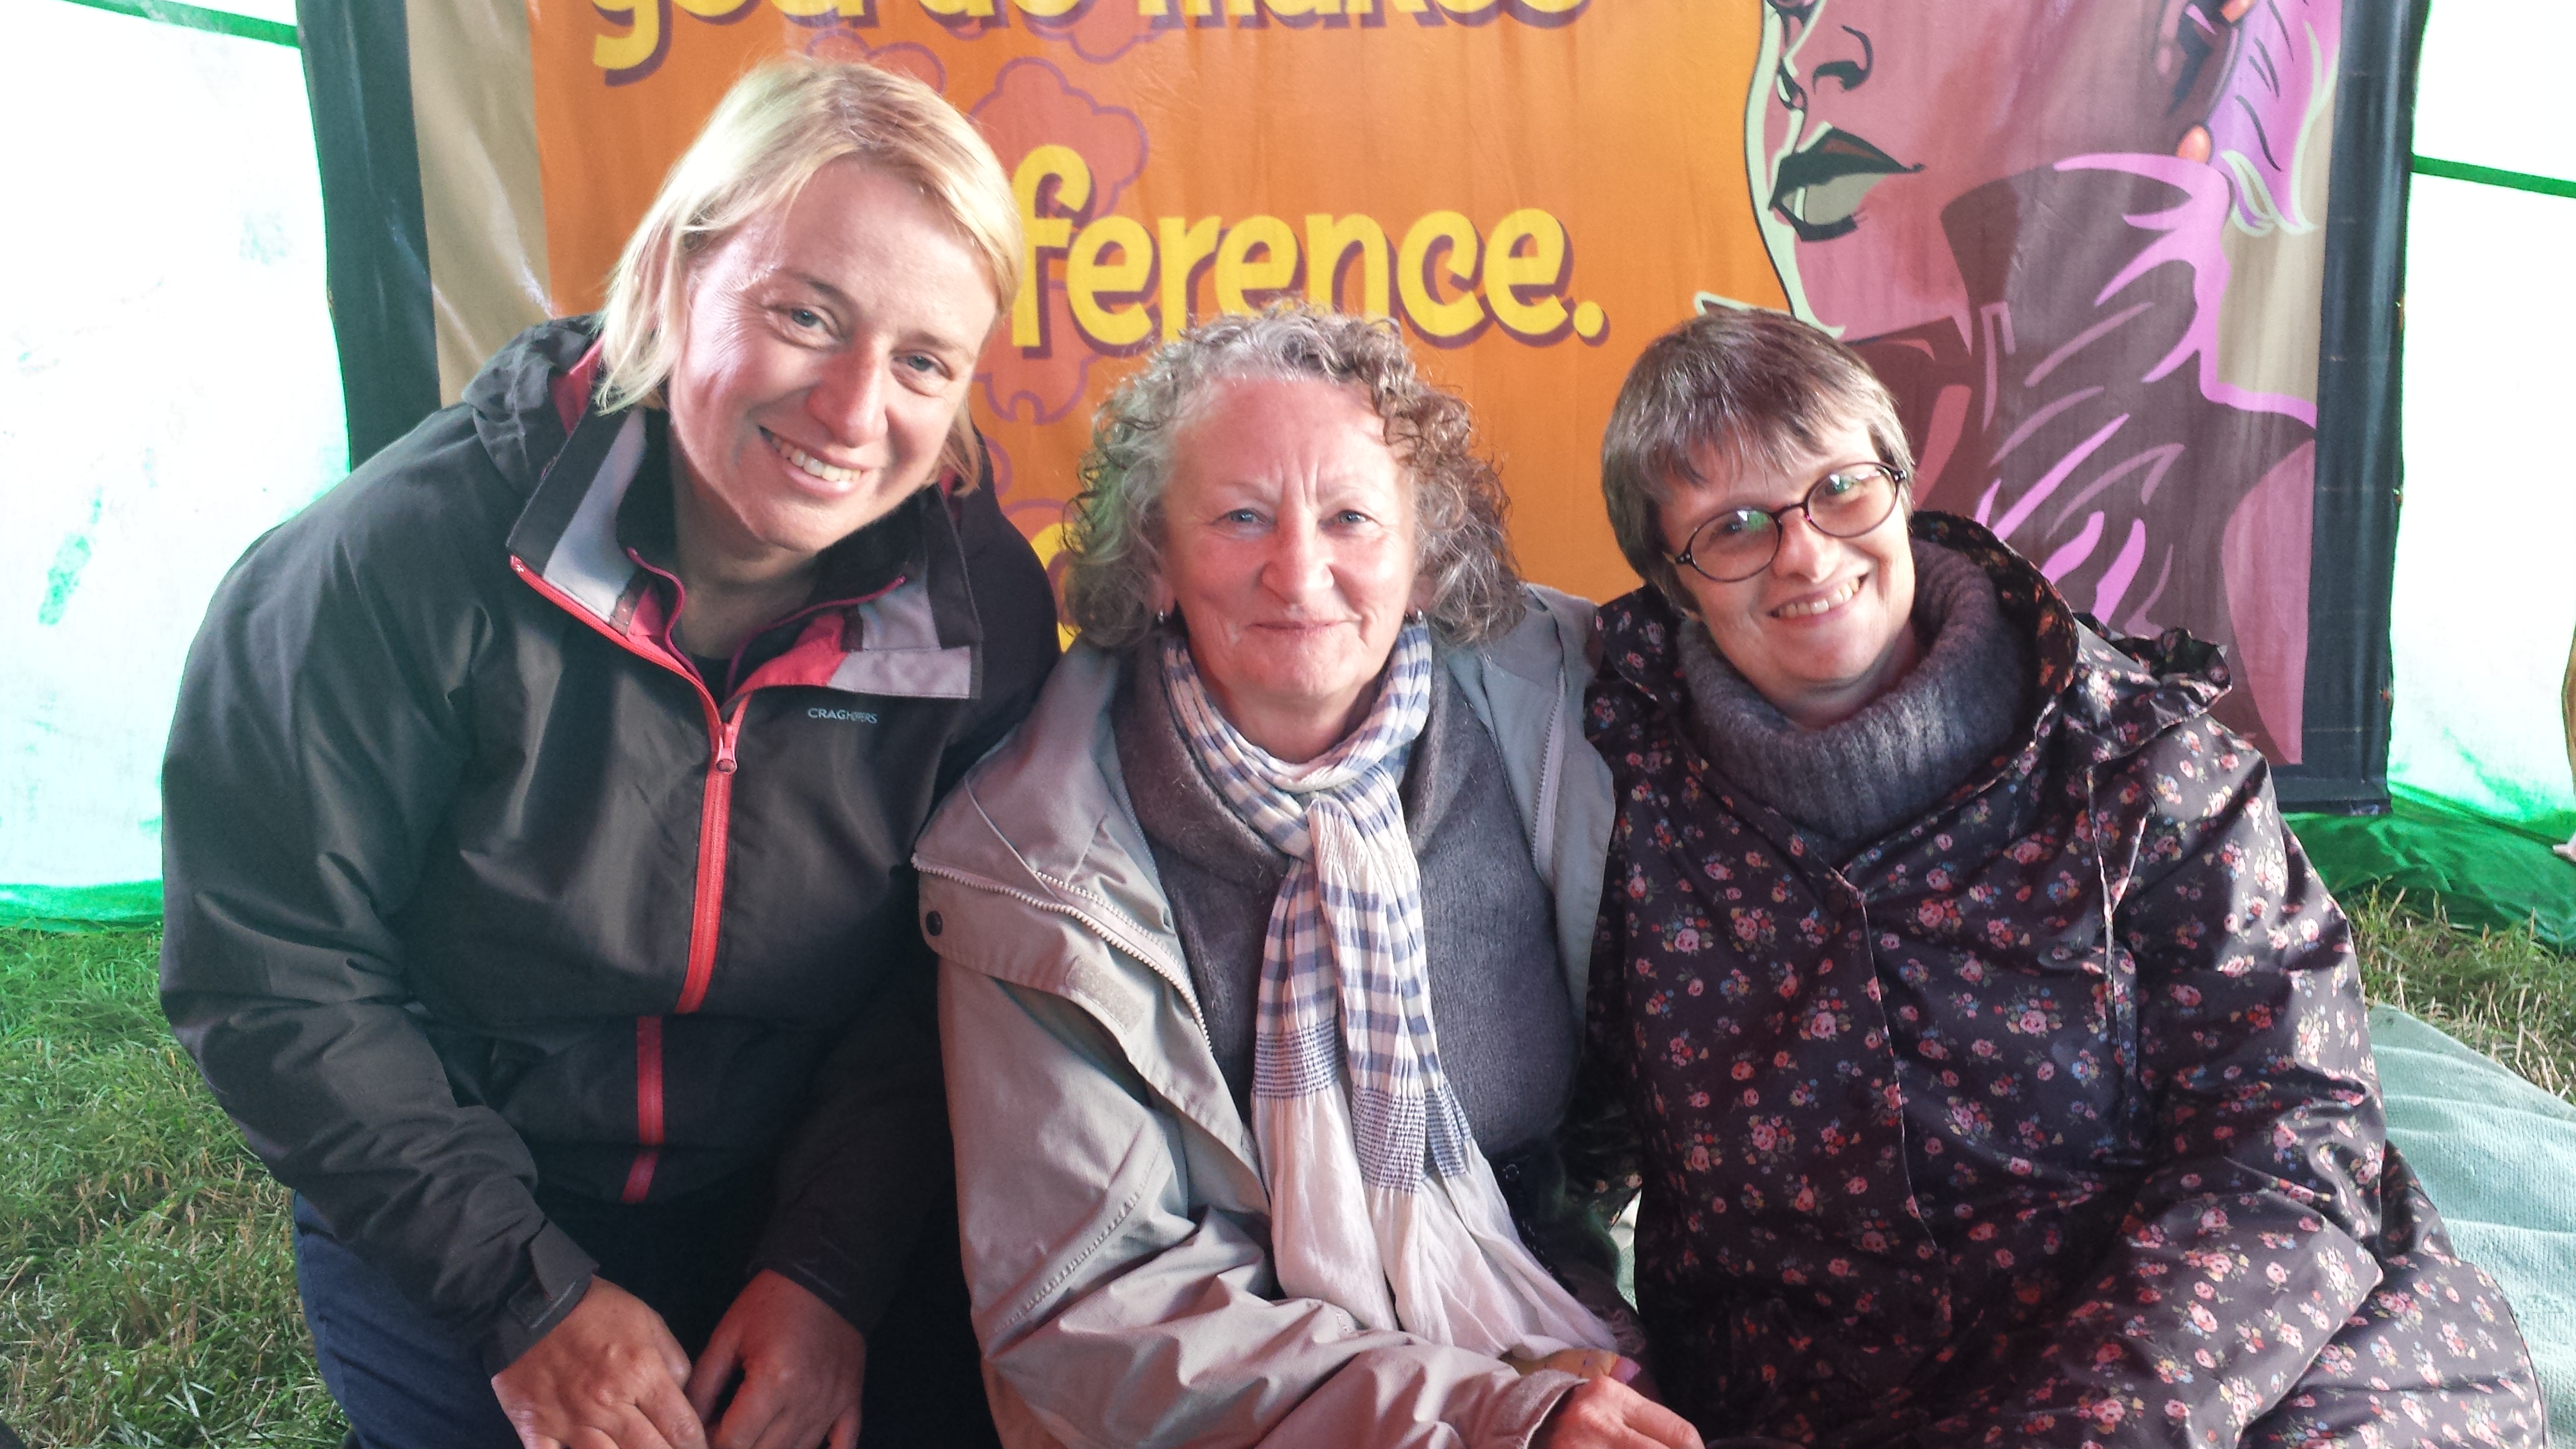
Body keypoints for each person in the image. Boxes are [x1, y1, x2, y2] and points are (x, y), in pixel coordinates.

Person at [159, 57, 1055, 1449]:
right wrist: (524, 1300)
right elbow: (275, 970)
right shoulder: (391, 561)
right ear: (678, 272)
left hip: (803, 1178)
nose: (851, 410)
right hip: (469, 1186)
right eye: (806, 316)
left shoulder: (978, 608)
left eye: (924, 362)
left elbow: (946, 979)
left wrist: (828, 1271)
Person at [1566, 308, 2545, 1447]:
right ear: (1671, 577)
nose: (1805, 552)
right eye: (1735, 525)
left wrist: (2089, 1425)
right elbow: (1549, 1141)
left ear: (1900, 485)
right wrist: (1576, 1335)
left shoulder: (2141, 758)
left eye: (1839, 488)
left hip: (2202, 1352)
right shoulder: (1608, 792)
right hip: (1810, 1390)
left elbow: (2287, 1136)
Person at [913, 306, 1701, 1449]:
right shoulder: (1027, 860)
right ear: (1155, 561)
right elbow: (1088, 1308)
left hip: (1567, 1330)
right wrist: (1488, 1415)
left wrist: (1555, 1381)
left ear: (1425, 558)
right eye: (1240, 516)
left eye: (1350, 518)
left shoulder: (1574, 714)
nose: (1298, 570)